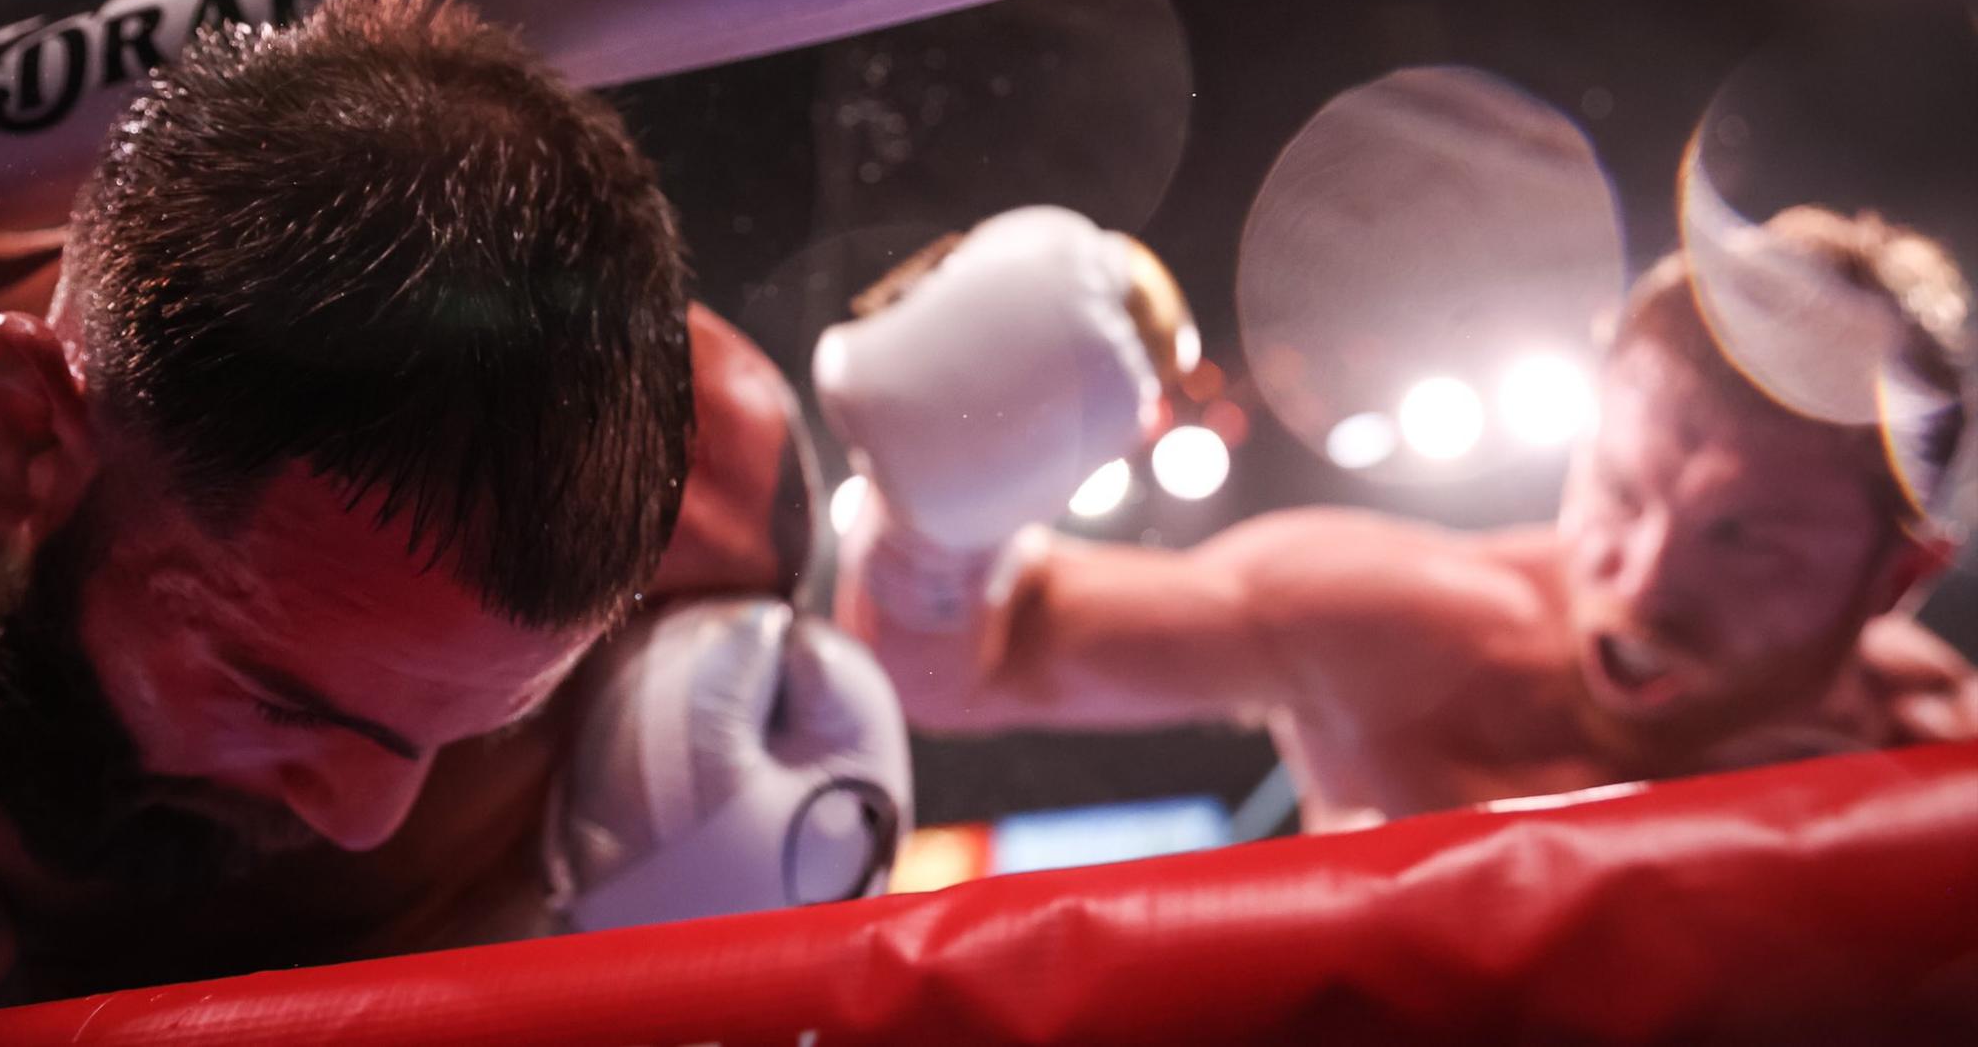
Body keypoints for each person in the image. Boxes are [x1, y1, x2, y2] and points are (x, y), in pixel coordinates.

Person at [0, 0, 907, 1006]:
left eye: (484, 723)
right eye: (275, 699)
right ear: (21, 436)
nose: (362, 817)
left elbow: (992, 655)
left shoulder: (718, 501)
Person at [818, 204, 1978, 835]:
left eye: (1747, 539)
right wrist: (938, 514)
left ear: (1894, 576)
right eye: (1620, 491)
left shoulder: (1937, 765)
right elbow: (962, 673)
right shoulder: (1390, 629)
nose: (1642, 575)